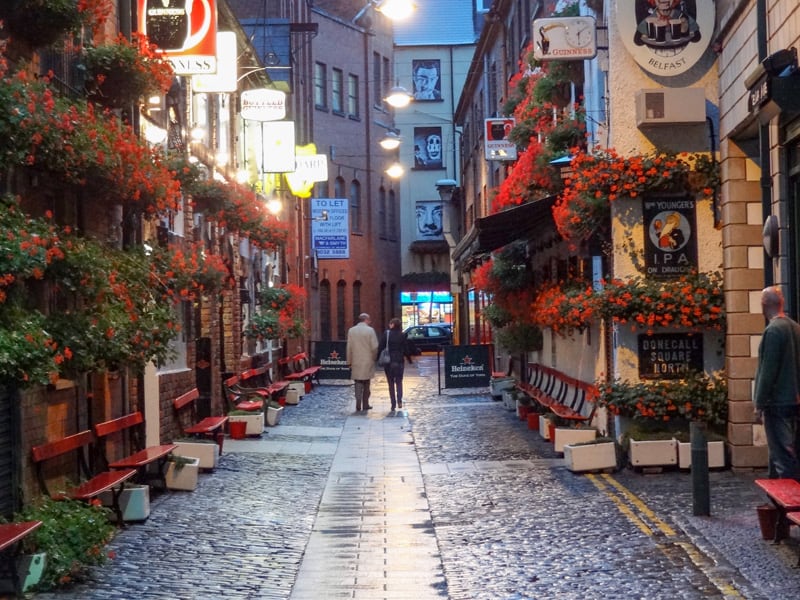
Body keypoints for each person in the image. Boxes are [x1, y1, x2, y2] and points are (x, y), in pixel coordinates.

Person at [753, 286, 800, 479]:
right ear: (782, 303)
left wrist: (759, 404)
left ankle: (788, 503)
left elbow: (767, 371)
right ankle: (776, 500)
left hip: (777, 402)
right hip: (794, 400)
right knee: (785, 450)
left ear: (764, 305)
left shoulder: (772, 331)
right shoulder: (795, 328)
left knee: (782, 454)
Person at [377, 318, 416, 412]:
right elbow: (406, 349)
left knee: (390, 383)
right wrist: (409, 359)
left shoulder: (386, 334)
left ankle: (393, 403)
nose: (389, 325)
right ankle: (399, 400)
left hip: (389, 361)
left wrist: (377, 358)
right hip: (399, 361)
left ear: (392, 325)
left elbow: (380, 347)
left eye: (390, 323)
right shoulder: (402, 335)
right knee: (399, 381)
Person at [346, 313, 379, 413]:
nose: (370, 322)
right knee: (366, 383)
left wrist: (349, 361)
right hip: (367, 361)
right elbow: (374, 347)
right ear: (366, 320)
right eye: (369, 320)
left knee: (358, 382)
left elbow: (349, 347)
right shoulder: (370, 331)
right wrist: (373, 358)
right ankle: (365, 403)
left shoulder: (351, 331)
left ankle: (358, 403)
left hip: (356, 360)